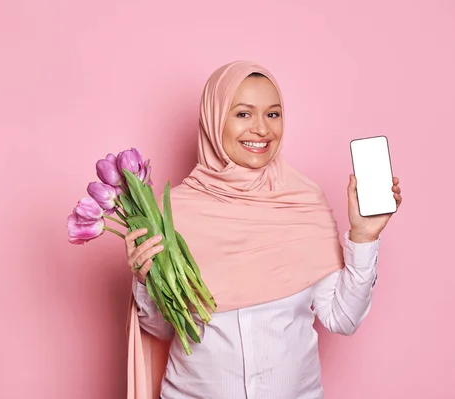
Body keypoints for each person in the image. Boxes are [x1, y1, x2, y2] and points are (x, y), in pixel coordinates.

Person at [124, 60, 402, 399]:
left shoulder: (303, 201)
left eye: (273, 114)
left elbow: (342, 319)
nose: (262, 129)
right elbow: (164, 328)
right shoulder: (174, 212)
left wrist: (364, 236)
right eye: (243, 114)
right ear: (213, 119)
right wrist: (144, 280)